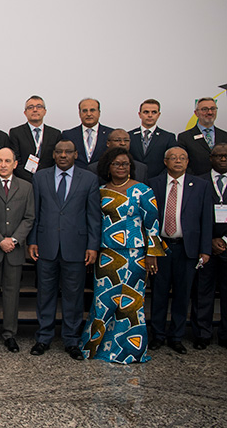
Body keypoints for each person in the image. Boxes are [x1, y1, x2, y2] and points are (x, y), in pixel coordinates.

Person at [80, 147, 164, 363]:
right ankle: (96, 348)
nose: (120, 167)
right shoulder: (100, 191)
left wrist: (152, 254)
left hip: (135, 257)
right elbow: (94, 223)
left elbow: (152, 225)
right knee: (103, 301)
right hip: (106, 254)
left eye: (125, 164)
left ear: (131, 167)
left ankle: (129, 351)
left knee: (131, 304)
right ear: (108, 167)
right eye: (116, 163)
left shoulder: (143, 191)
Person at [28, 139, 101, 360]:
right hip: (46, 246)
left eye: (68, 152)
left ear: (75, 154)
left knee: (74, 296)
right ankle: (44, 338)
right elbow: (35, 212)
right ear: (54, 155)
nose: (62, 155)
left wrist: (92, 246)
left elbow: (93, 216)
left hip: (76, 248)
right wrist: (33, 241)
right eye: (58, 151)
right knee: (46, 295)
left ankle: (71, 340)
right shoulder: (40, 177)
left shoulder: (88, 179)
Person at [148, 146, 212, 354]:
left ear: (187, 162)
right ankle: (157, 335)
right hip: (161, 247)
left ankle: (176, 336)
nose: (178, 161)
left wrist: (205, 250)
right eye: (173, 158)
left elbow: (206, 220)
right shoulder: (153, 184)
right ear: (165, 161)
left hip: (187, 248)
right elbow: (148, 220)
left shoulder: (201, 186)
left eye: (182, 158)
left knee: (183, 294)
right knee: (158, 293)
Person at [0, 147, 34, 353]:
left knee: (12, 294)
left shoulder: (27, 187)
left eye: (7, 161)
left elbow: (29, 217)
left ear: (15, 164)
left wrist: (14, 239)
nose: (3, 165)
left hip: (14, 249)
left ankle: (10, 334)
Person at [192, 143, 227, 349]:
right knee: (202, 292)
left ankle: (225, 335)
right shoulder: (199, 182)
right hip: (205, 245)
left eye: (226, 156)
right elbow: (194, 215)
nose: (223, 159)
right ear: (210, 158)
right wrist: (210, 240)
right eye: (218, 156)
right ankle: (202, 334)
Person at [9, 95, 62, 183]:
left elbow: (57, 160)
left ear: (45, 111)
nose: (35, 110)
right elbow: (16, 161)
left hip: (49, 180)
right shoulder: (16, 133)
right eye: (30, 107)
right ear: (25, 112)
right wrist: (31, 179)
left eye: (39, 107)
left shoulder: (55, 134)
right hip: (24, 182)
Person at [128, 99, 177, 180]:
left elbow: (171, 162)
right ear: (139, 114)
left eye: (154, 112)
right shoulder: (129, 136)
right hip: (134, 181)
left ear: (158, 115)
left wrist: (159, 179)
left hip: (158, 181)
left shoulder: (168, 137)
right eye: (146, 112)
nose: (150, 115)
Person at [178, 97, 227, 176]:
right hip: (197, 183)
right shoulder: (185, 137)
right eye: (205, 109)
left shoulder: (225, 136)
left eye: (213, 108)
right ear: (196, 113)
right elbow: (183, 164)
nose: (210, 112)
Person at [61, 98, 113, 169]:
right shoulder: (68, 135)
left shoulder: (110, 134)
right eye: (84, 111)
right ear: (79, 114)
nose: (88, 114)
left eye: (92, 110)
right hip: (78, 177)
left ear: (99, 113)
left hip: (103, 177)